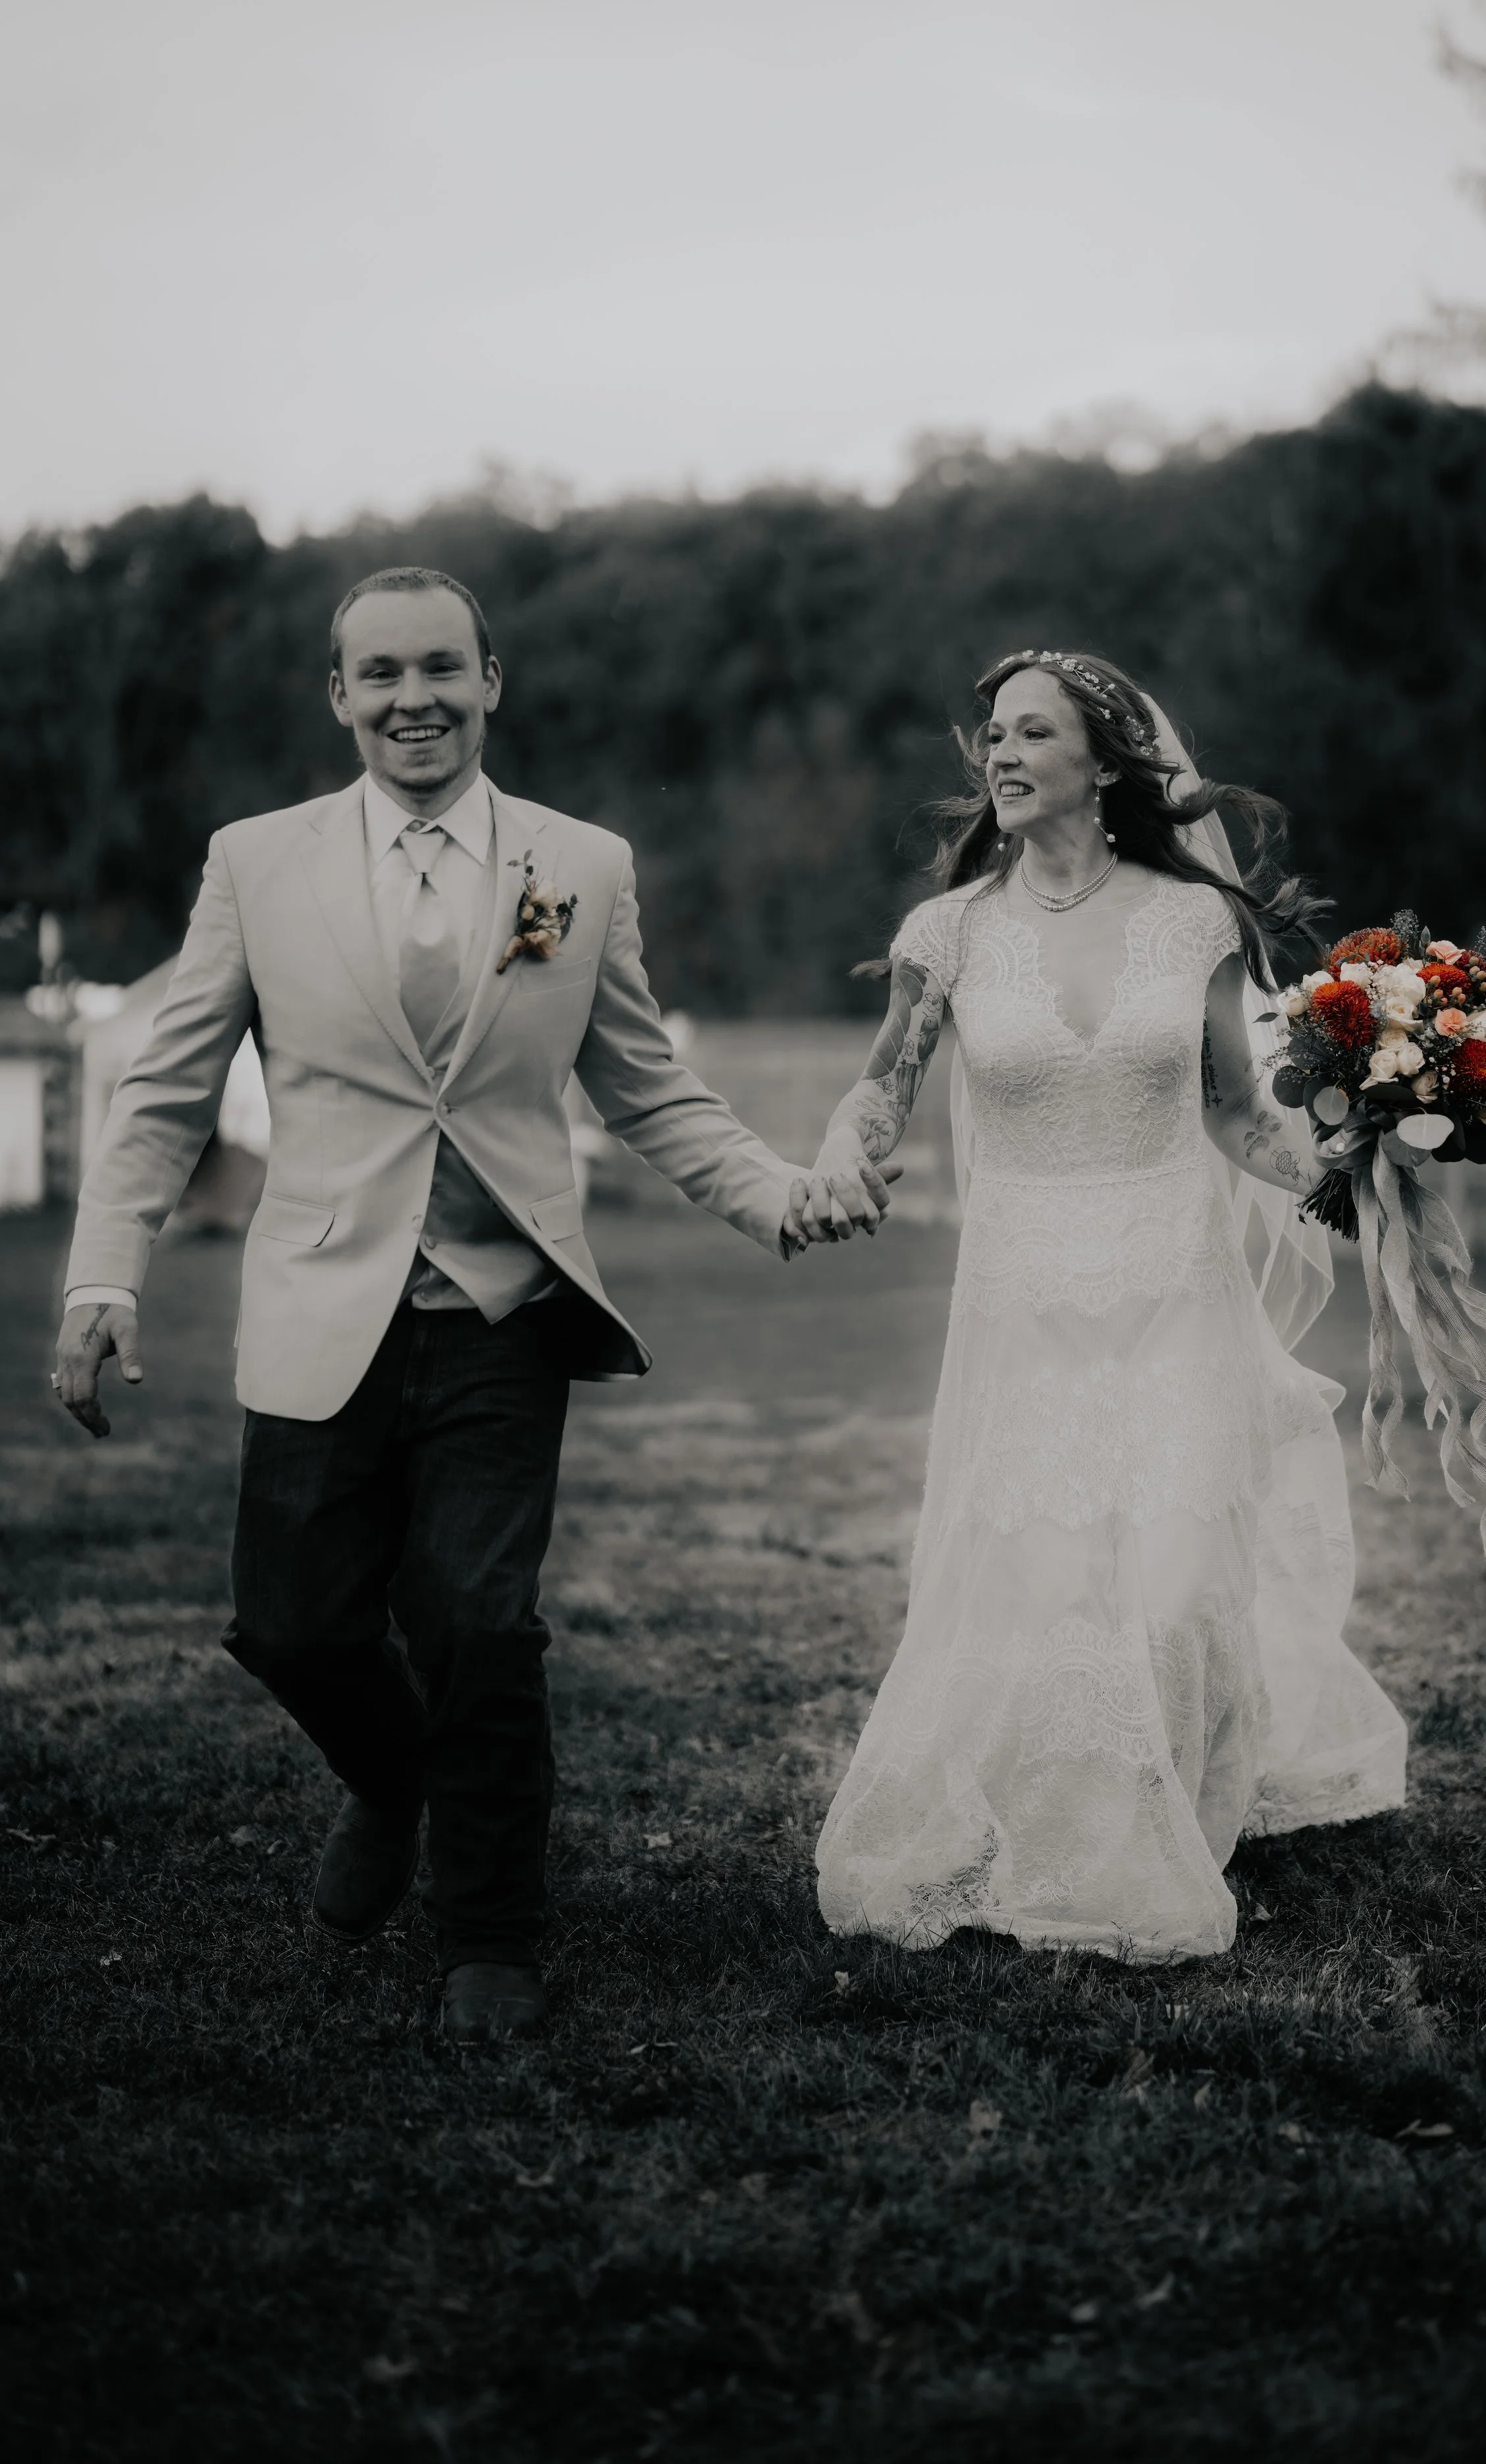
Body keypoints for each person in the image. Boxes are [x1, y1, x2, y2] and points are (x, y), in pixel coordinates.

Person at [51, 566, 890, 2041]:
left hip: (504, 1303)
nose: (411, 698)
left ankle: (490, 1936)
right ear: (338, 696)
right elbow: (167, 1088)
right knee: (295, 1626)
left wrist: (771, 1191)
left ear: (492, 678)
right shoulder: (257, 862)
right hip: (320, 1299)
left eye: (441, 667)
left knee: (478, 1621)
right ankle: (395, 1782)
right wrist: (104, 1271)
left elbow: (644, 1080)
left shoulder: (580, 862)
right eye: (377, 675)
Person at [801, 649, 1406, 1963]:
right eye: (993, 736)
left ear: (1104, 760)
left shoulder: (1190, 924)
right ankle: (1054, 1828)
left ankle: (1175, 1811)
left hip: (1172, 1292)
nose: (1000, 755)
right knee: (1047, 1575)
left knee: (1175, 1579)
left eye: (1031, 733)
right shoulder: (948, 932)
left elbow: (1235, 1112)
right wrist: (846, 1149)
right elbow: (879, 1090)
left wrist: (1341, 1176)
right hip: (1023, 1304)